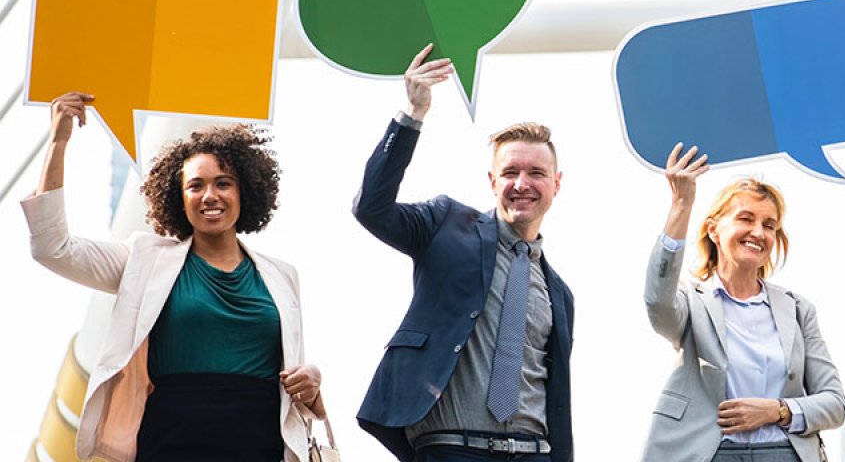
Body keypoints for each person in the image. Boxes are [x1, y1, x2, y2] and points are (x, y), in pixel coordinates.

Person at [22, 92, 324, 462]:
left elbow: (291, 369)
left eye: (223, 183)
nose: (209, 195)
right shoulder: (145, 261)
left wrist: (310, 380)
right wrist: (58, 140)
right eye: (195, 185)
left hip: (259, 441)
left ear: (245, 190)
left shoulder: (282, 276)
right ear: (179, 198)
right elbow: (53, 248)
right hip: (173, 440)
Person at [353, 44, 575, 462]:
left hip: (532, 453)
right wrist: (412, 113)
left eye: (536, 173)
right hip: (451, 448)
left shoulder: (558, 293)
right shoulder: (445, 224)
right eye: (510, 172)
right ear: (492, 180)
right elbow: (372, 208)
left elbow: (555, 392)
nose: (521, 184)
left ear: (556, 184)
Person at [643, 144, 845, 461]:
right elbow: (657, 301)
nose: (758, 232)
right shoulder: (690, 302)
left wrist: (778, 410)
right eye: (746, 218)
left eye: (769, 225)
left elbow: (835, 403)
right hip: (713, 452)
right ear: (713, 229)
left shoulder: (797, 309)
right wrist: (681, 204)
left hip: (783, 453)